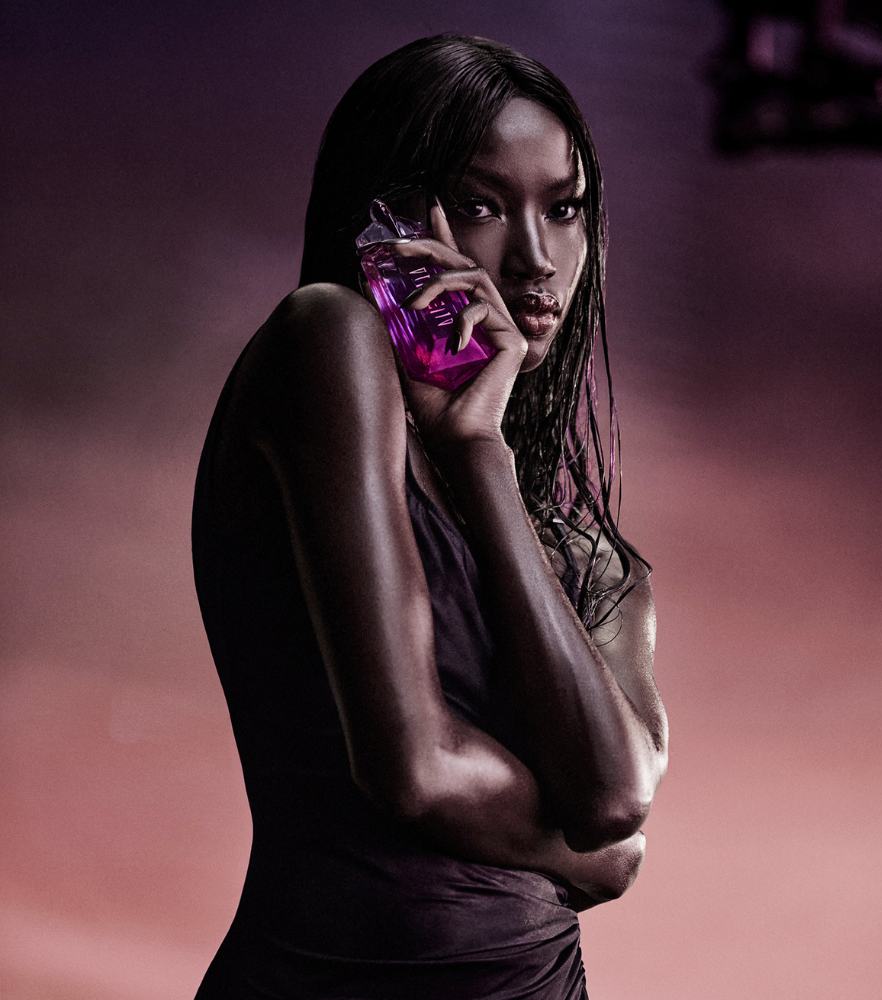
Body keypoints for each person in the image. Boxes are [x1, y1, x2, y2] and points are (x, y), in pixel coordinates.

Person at [191, 32, 668, 1000]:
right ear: (390, 220)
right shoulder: (325, 336)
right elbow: (412, 768)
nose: (536, 259)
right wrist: (581, 855)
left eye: (564, 208)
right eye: (483, 205)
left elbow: (616, 794)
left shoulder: (593, 561)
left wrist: (478, 453)